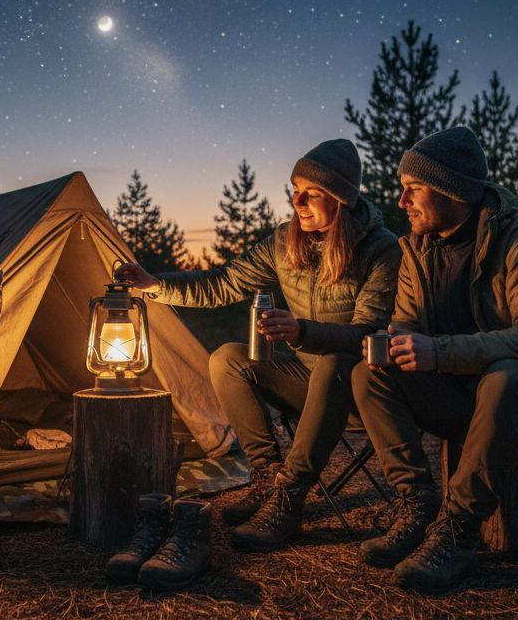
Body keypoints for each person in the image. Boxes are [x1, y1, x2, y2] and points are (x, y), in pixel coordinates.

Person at [350, 126, 518, 593]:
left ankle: (458, 531)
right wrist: (397, 345)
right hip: (469, 402)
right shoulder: (417, 249)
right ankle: (416, 505)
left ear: (453, 190)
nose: (402, 199)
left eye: (414, 188)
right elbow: (409, 321)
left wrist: (441, 352)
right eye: (402, 187)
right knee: (369, 375)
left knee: (505, 378)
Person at [115, 138, 400, 552]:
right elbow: (223, 282)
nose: (297, 201)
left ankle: (291, 496)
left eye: (312, 194)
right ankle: (268, 477)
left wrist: (301, 331)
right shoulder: (285, 242)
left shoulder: (380, 249)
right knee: (228, 358)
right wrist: (155, 285)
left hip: (357, 390)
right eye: (294, 189)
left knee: (337, 361)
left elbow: (369, 333)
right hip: (305, 380)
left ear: (340, 199)